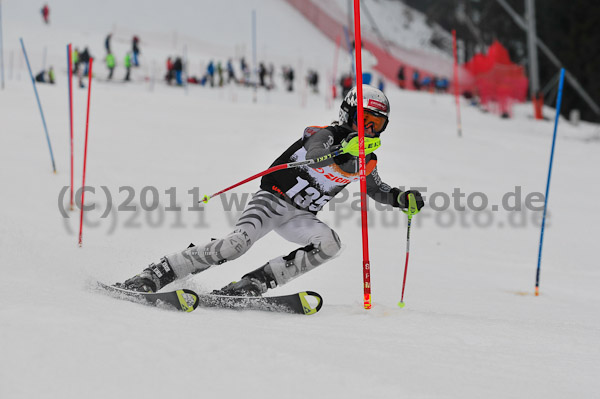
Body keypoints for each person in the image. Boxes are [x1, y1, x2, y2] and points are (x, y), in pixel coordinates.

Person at [115, 85, 425, 296]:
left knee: (330, 244)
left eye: (376, 125)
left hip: (301, 216)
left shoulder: (366, 158)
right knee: (236, 245)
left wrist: (399, 197)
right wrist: (345, 148)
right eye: (364, 120)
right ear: (348, 113)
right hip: (273, 199)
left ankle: (255, 282)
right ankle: (158, 273)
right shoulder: (325, 134)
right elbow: (316, 152)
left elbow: (377, 188)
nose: (368, 130)